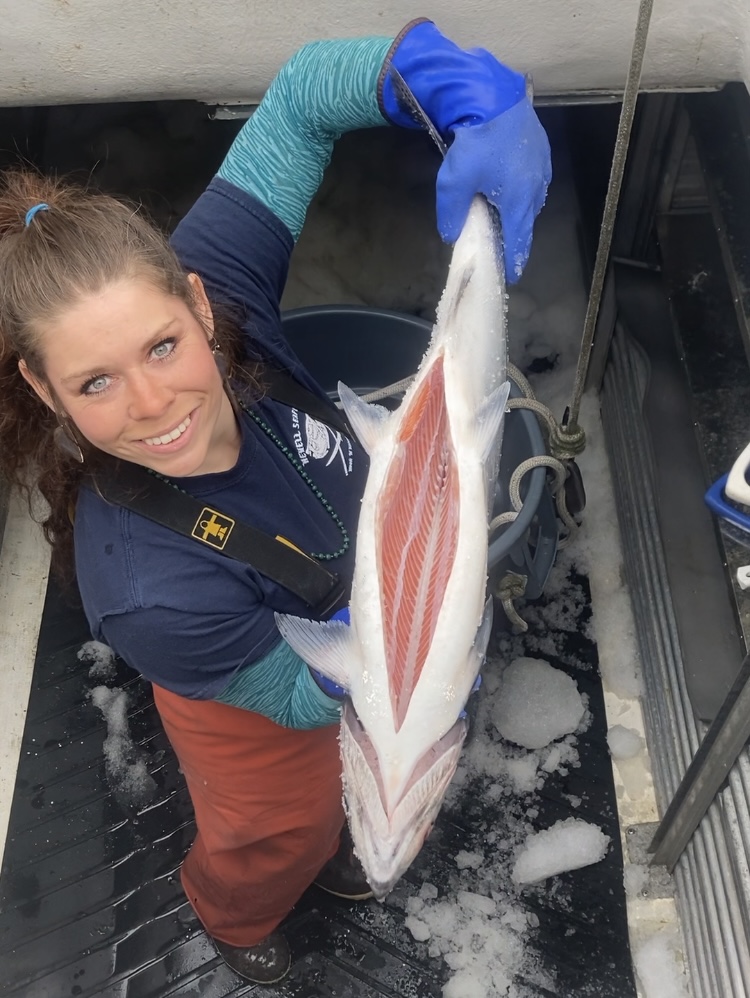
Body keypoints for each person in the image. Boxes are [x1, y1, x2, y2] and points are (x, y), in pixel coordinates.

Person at [0, 18, 551, 985]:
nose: (153, 403)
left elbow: (300, 101)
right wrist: (376, 666)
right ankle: (233, 913)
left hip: (351, 606)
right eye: (95, 383)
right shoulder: (149, 595)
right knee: (275, 830)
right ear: (45, 391)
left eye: (163, 346)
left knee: (340, 807)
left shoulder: (226, 287)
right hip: (253, 701)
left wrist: (440, 81)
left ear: (199, 303)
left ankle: (340, 836)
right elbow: (294, 699)